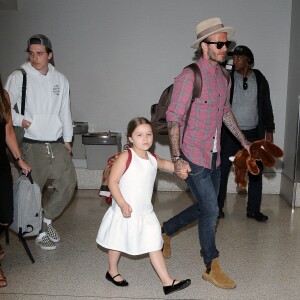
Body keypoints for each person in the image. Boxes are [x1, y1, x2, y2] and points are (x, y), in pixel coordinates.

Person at [161, 17, 252, 289]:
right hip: (191, 156)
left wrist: (245, 142)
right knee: (212, 210)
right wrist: (177, 159)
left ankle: (164, 230)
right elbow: (173, 118)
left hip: (215, 155)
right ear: (205, 46)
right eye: (221, 44)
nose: (226, 49)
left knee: (205, 207)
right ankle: (211, 265)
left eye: (228, 43)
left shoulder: (224, 76)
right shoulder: (190, 76)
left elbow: (224, 113)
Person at [96, 117, 191, 295]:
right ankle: (112, 271)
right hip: (125, 210)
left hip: (145, 213)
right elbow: (113, 182)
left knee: (155, 243)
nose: (145, 138)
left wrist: (181, 168)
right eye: (140, 135)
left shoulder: (152, 158)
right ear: (130, 138)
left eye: (149, 134)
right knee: (116, 242)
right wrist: (123, 203)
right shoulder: (127, 156)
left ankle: (167, 282)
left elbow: (167, 165)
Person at [5, 34, 77, 251]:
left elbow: (65, 110)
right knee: (34, 190)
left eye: (39, 53)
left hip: (55, 141)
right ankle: (37, 230)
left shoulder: (61, 79)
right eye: (31, 53)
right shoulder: (19, 77)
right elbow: (4, 109)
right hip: (31, 142)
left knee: (69, 183)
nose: (34, 57)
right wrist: (22, 120)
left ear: (49, 55)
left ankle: (45, 221)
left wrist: (67, 139)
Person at [217, 45, 275, 221]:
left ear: (248, 60)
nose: (234, 60)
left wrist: (269, 131)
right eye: (233, 58)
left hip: (253, 133)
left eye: (239, 58)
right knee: (223, 169)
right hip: (230, 133)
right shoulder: (227, 77)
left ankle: (253, 210)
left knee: (255, 170)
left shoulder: (259, 78)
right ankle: (217, 207)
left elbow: (266, 105)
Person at [0, 76, 31, 287]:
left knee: (5, 215)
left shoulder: (3, 96)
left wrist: (19, 159)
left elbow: (8, 131)